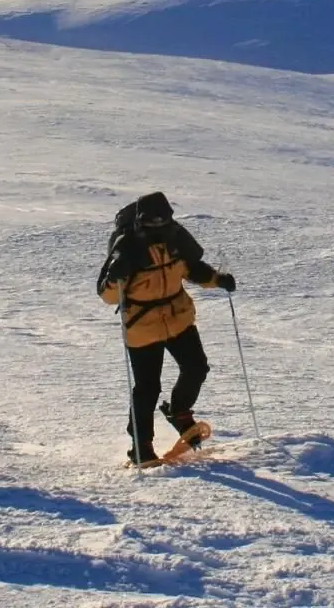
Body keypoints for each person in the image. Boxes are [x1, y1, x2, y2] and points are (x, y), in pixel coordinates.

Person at [97, 191, 236, 466]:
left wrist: (217, 280)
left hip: (178, 317)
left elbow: (191, 269)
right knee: (147, 388)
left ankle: (179, 413)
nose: (160, 228)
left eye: (164, 223)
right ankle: (141, 446)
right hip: (143, 325)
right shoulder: (127, 250)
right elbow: (108, 295)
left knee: (196, 367)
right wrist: (116, 277)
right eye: (154, 224)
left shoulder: (175, 241)